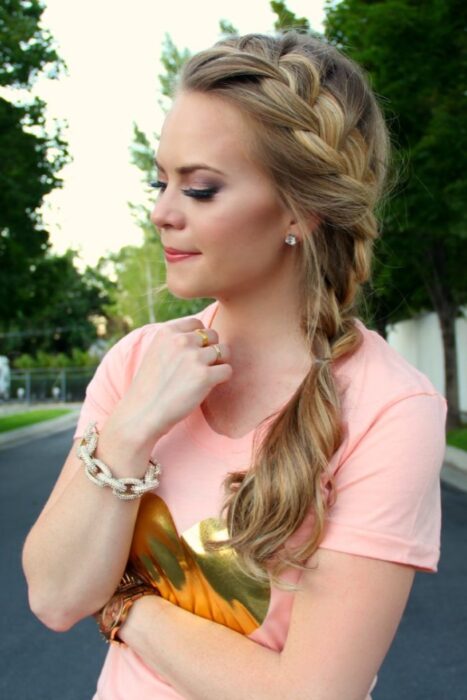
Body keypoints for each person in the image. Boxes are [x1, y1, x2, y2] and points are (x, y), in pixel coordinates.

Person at [22, 31, 447, 700]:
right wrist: (131, 428)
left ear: (299, 209)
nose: (161, 213)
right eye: (159, 181)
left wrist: (127, 607)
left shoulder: (388, 408)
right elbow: (52, 595)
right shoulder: (140, 362)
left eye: (200, 189)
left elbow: (310, 693)